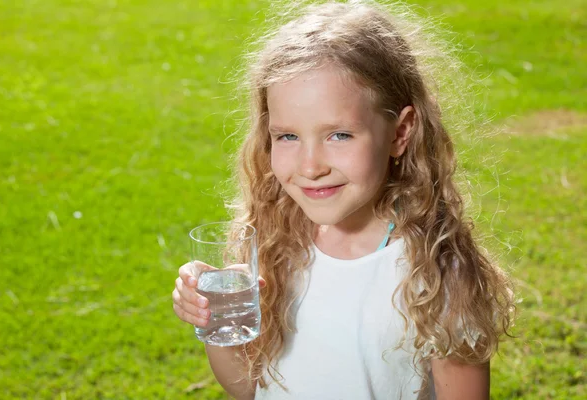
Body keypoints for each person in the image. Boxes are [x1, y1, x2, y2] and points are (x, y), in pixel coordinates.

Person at [172, 1, 515, 399]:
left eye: (339, 135)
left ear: (400, 133)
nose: (310, 165)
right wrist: (219, 323)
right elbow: (248, 388)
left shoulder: (437, 269)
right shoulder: (273, 243)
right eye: (287, 136)